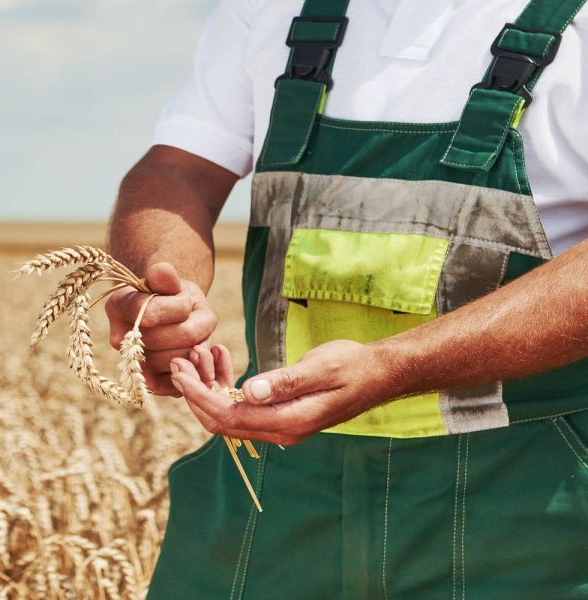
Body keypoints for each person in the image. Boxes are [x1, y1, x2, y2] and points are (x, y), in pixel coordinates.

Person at [104, 0, 588, 596]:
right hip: (273, 497)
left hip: (530, 512)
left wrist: (392, 366)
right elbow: (178, 170)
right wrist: (161, 287)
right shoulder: (265, 10)